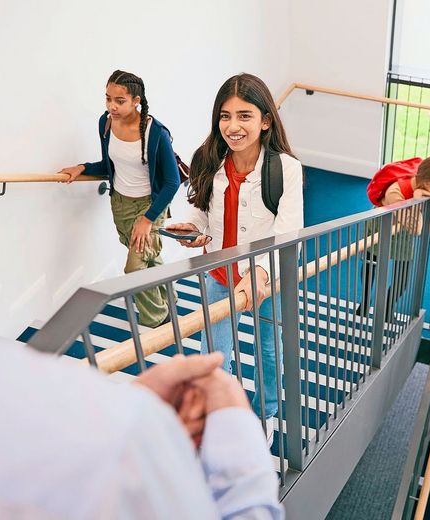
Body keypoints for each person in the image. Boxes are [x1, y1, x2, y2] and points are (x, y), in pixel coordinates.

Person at [0, 2, 282, 517]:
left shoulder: (163, 135)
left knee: (147, 276)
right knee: (177, 304)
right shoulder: (112, 442)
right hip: (151, 227)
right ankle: (163, 333)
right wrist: (233, 427)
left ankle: (163, 332)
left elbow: (173, 181)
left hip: (160, 222)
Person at [166, 74, 304, 444]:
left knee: (268, 354)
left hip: (264, 279)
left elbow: (288, 232)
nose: (233, 126)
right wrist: (192, 227)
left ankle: (266, 413)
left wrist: (259, 271)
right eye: (225, 116)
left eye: (244, 116)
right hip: (219, 275)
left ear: (265, 120)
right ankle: (217, 418)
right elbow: (203, 210)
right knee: (213, 356)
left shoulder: (285, 169)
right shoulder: (207, 158)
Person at [59, 70, 180, 327]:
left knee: (134, 269)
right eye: (107, 98)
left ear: (136, 100)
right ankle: (170, 296)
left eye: (119, 100)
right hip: (120, 203)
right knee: (147, 255)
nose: (111, 106)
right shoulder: (105, 123)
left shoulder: (154, 132)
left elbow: (172, 182)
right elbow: (109, 164)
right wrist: (83, 167)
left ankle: (158, 320)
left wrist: (148, 219)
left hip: (150, 205)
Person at [358, 156, 430, 319]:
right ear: (428, 183)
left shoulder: (424, 183)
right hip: (380, 229)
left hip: (403, 232)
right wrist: (417, 197)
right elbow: (416, 229)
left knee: (402, 281)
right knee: (370, 266)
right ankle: (365, 301)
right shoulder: (395, 192)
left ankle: (387, 308)